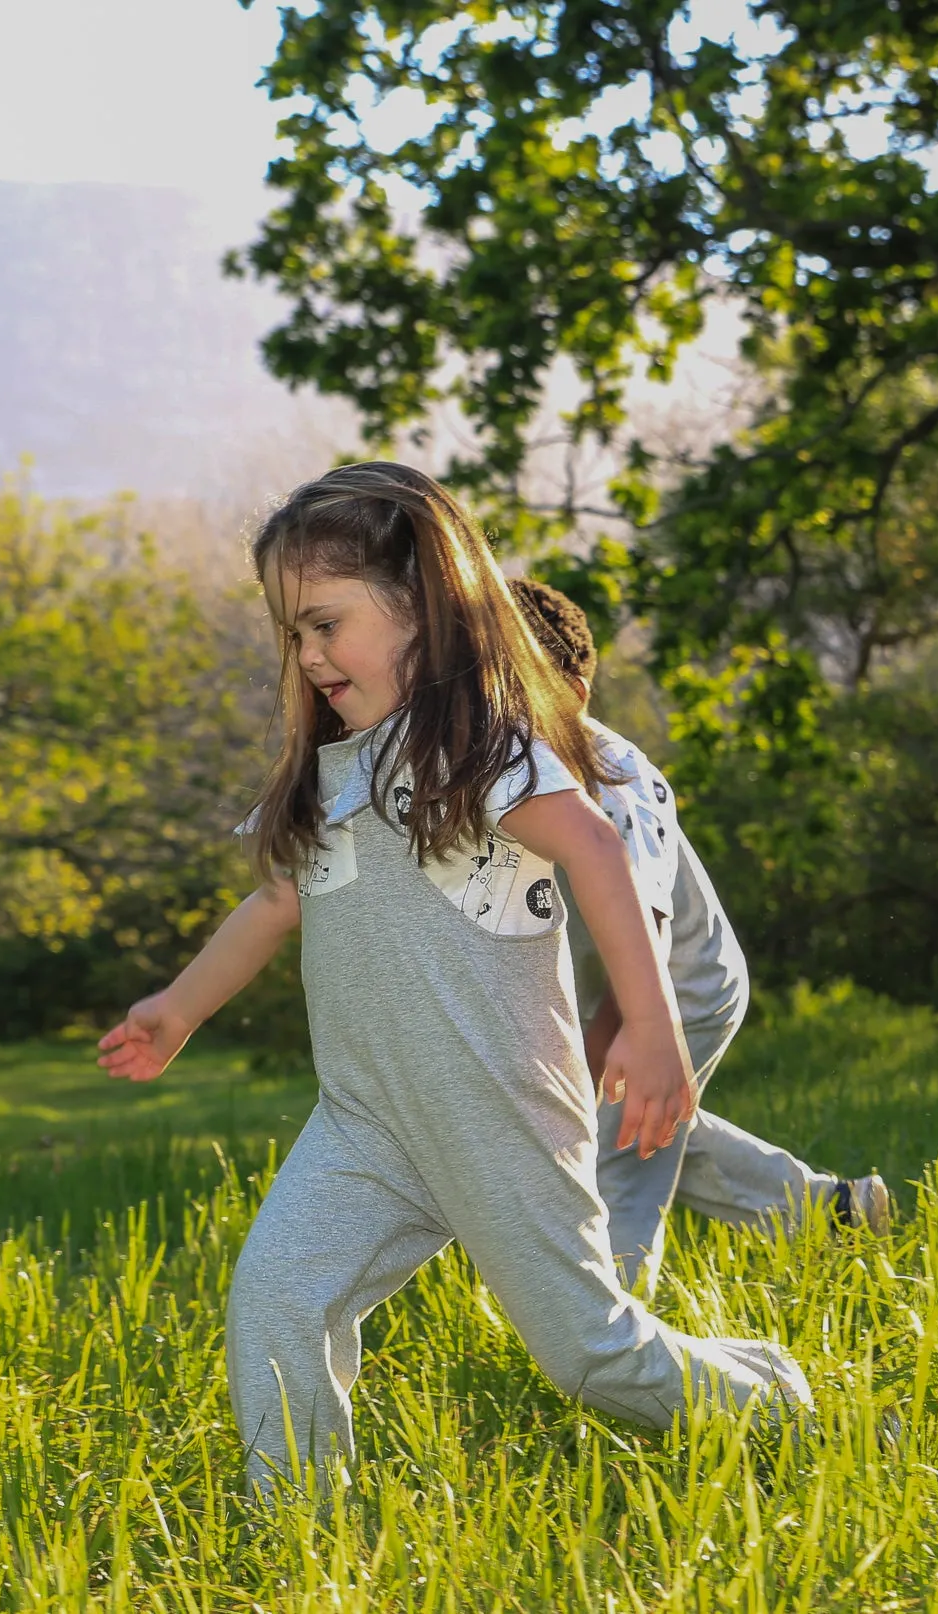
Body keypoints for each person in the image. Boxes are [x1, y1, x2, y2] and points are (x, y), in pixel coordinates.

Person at [96, 463, 811, 1494]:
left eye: (325, 624)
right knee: (279, 1298)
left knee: (591, 1356)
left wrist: (651, 1025)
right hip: (366, 1117)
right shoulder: (329, 771)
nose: (305, 655)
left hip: (495, 1112)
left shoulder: (484, 751)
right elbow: (275, 905)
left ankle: (774, 1406)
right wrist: (176, 1009)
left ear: (423, 611)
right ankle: (302, 1531)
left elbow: (599, 854)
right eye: (290, 633)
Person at [506, 578, 891, 1292]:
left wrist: (613, 1043)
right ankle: (828, 1210)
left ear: (576, 695)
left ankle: (616, 1332)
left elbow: (646, 922)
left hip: (678, 989)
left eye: (515, 690)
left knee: (620, 1143)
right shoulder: (496, 769)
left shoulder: (612, 775)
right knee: (654, 1128)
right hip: (607, 993)